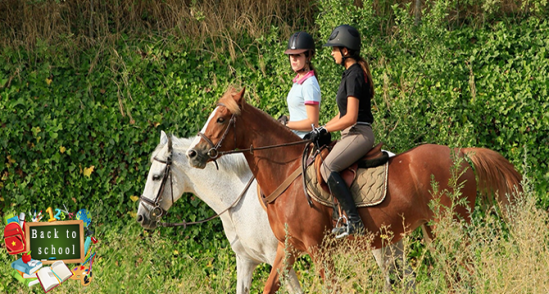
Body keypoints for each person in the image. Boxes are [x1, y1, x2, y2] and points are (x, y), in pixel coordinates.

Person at [305, 24, 375, 239]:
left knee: (328, 166)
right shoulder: (349, 74)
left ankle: (355, 222)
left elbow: (351, 117)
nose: (332, 52)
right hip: (351, 132)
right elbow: (341, 114)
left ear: (345, 51)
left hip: (359, 133)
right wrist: (321, 129)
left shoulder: (354, 75)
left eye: (334, 49)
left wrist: (325, 128)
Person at [277, 31, 321, 138]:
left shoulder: (309, 84)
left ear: (308, 57)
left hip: (305, 140)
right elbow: (300, 115)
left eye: (298, 55)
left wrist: (286, 124)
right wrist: (287, 119)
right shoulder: (298, 82)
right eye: (291, 55)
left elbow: (313, 123)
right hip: (295, 138)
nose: (293, 59)